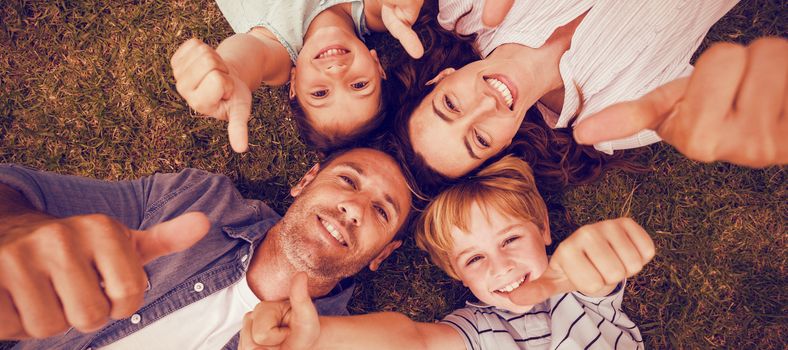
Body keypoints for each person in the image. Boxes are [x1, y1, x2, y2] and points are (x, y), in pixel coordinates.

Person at [0, 147, 414, 349]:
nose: (354, 209)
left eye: (381, 211)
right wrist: (16, 228)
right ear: (306, 181)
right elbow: (19, 189)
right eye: (347, 180)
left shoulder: (336, 345)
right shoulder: (196, 200)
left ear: (382, 255)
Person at [239, 156, 655, 349]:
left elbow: (597, 271)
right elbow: (412, 340)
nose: (502, 266)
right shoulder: (477, 328)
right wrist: (326, 335)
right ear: (458, 276)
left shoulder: (579, 291)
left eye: (511, 239)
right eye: (474, 259)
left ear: (544, 227)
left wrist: (602, 252)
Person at [388, 0, 787, 196]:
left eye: (450, 105)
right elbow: (697, 103)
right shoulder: (617, 113)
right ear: (505, 146)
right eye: (479, 139)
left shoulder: (466, 8)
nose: (484, 106)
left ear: (442, 77)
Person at [171, 0, 425, 153]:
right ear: (377, 66)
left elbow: (251, 56)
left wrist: (233, 70)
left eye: (320, 93)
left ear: (294, 84)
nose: (336, 73)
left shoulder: (276, 50)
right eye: (359, 85)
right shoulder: (377, 13)